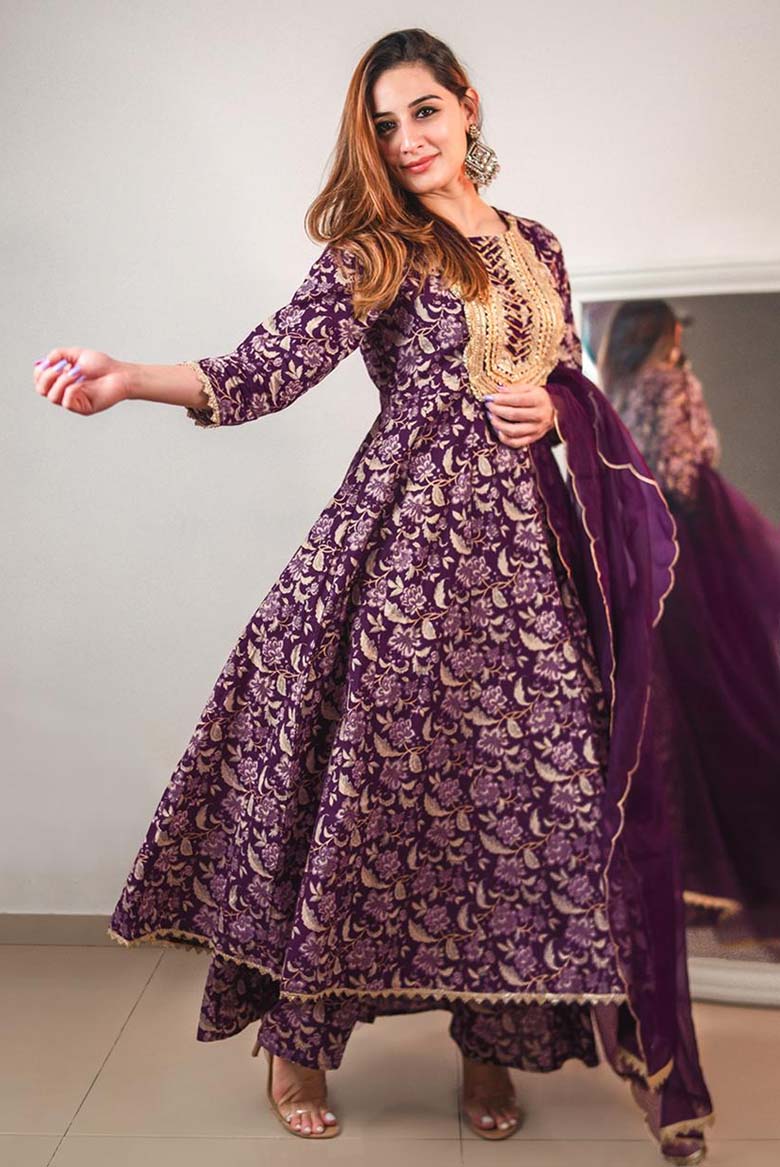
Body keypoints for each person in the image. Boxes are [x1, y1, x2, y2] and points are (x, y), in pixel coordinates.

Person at [32, 28, 713, 1163]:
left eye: (424, 112)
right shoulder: (376, 249)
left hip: (529, 565)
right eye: (384, 125)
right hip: (403, 558)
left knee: (523, 806)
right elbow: (264, 368)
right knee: (368, 799)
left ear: (468, 106)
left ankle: (491, 1043)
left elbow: (560, 378)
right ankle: (297, 1044)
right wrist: (131, 378)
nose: (406, 140)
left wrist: (558, 408)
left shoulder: (537, 243)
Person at [598, 300, 780, 951]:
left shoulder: (615, 390)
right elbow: (679, 470)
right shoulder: (671, 382)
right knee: (732, 687)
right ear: (666, 334)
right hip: (690, 541)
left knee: (670, 696)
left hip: (644, 544)